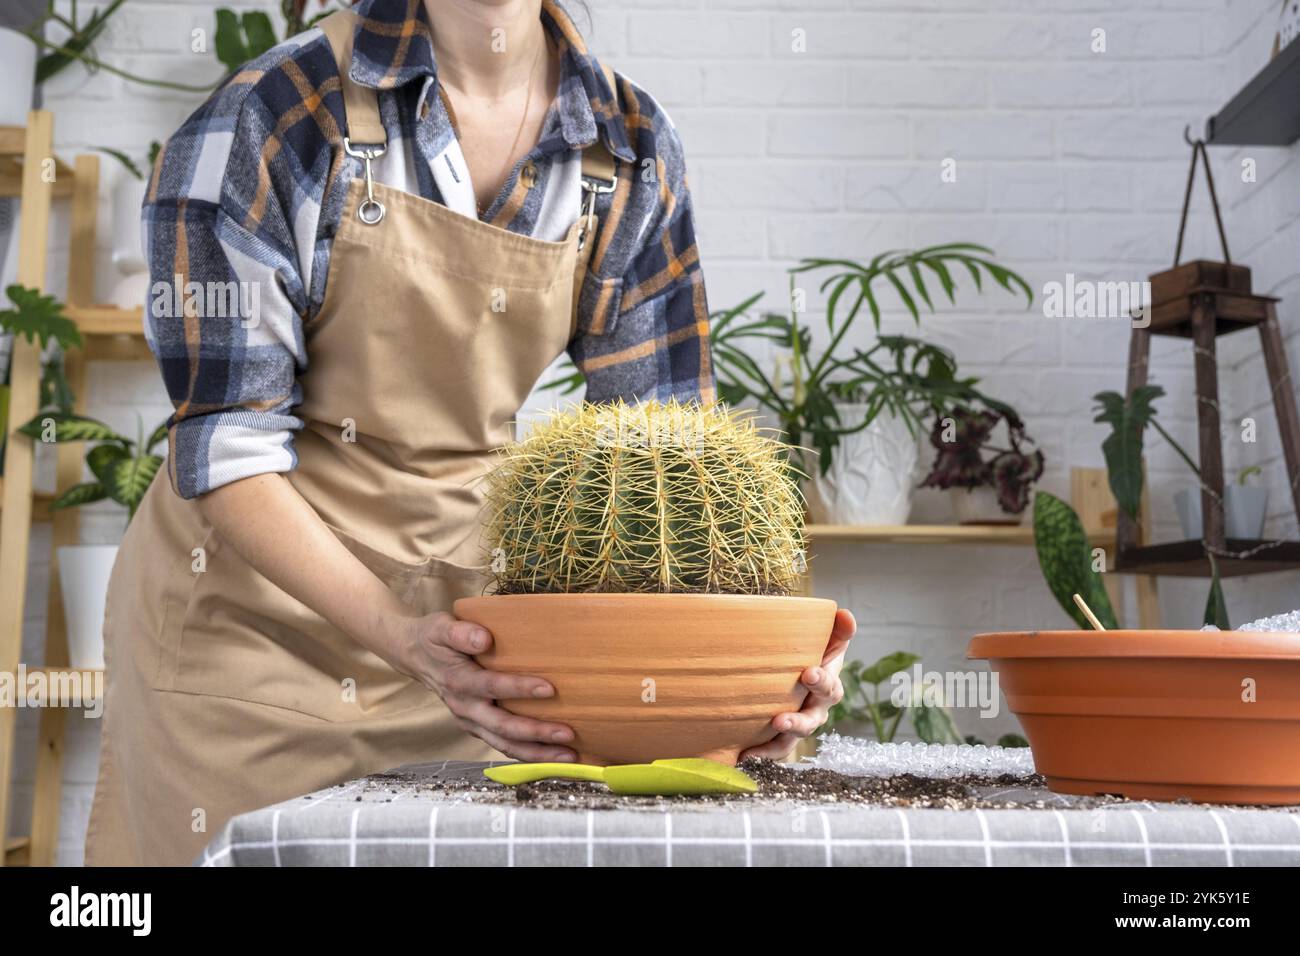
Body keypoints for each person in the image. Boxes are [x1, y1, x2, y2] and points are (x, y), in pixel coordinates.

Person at [85, 0, 853, 866]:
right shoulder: (274, 113)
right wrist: (402, 637)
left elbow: (671, 470)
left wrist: (740, 687)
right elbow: (229, 445)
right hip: (254, 634)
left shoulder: (626, 144)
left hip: (471, 645)